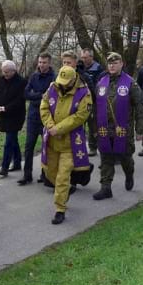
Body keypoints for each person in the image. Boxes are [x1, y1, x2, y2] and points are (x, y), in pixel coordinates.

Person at [40, 66, 92, 224]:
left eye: (65, 83)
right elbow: (44, 107)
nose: (62, 85)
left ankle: (60, 209)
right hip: (51, 141)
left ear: (73, 79)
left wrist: (59, 128)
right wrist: (49, 125)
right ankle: (64, 191)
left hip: (70, 144)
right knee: (50, 173)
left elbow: (80, 116)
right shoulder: (52, 88)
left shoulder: (84, 94)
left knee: (63, 177)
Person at [92, 53, 143, 200]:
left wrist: (139, 130)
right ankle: (106, 187)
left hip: (123, 129)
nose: (112, 66)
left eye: (115, 63)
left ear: (121, 64)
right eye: (109, 64)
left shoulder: (130, 83)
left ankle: (129, 174)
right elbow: (96, 108)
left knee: (125, 157)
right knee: (106, 157)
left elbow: (140, 107)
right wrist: (95, 128)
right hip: (105, 128)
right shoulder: (101, 83)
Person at [19, 53, 55, 186]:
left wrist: (36, 95)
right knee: (29, 147)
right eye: (40, 62)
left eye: (44, 62)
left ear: (49, 63)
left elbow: (51, 96)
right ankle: (26, 175)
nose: (41, 65)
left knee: (46, 147)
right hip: (33, 117)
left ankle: (45, 174)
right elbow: (26, 93)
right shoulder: (34, 76)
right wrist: (40, 95)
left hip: (46, 118)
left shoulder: (54, 77)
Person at [0, 60, 26, 177]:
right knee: (13, 139)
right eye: (3, 71)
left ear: (13, 71)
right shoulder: (0, 80)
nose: (5, 74)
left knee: (8, 142)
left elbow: (20, 101)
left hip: (16, 115)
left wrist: (6, 108)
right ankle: (17, 163)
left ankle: (4, 167)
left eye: (7, 72)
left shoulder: (21, 82)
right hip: (4, 115)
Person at [79, 48, 104, 157]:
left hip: (93, 100)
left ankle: (94, 147)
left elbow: (100, 85)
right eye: (82, 57)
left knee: (93, 124)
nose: (83, 59)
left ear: (91, 57)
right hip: (80, 101)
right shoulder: (79, 68)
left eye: (85, 57)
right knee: (80, 125)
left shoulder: (98, 68)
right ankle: (80, 147)